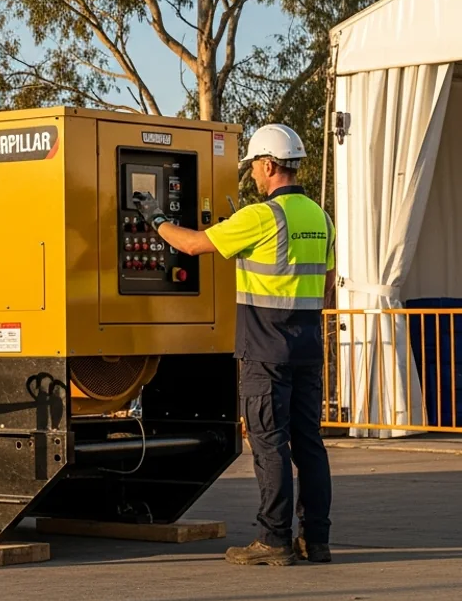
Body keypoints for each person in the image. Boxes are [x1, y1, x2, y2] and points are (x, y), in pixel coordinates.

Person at [133, 124, 334, 567]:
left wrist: (155, 217)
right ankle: (315, 541)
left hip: (266, 351)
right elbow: (327, 280)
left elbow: (192, 244)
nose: (252, 179)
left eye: (253, 171)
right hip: (306, 349)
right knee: (309, 445)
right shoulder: (321, 218)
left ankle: (273, 539)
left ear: (268, 165)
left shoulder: (260, 217)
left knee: (269, 444)